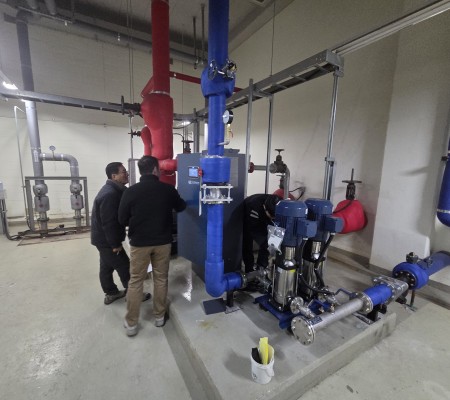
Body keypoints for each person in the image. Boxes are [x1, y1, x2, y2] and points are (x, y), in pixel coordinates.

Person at [118, 155, 186, 336]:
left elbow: (121, 219)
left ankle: (131, 323)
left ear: (140, 171)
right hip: (163, 242)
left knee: (135, 281)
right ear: (156, 170)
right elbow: (181, 207)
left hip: (139, 243)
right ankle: (159, 317)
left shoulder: (130, 192)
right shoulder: (168, 190)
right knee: (161, 279)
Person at [91, 162, 151, 305]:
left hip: (102, 238)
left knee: (106, 266)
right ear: (114, 176)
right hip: (107, 240)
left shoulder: (115, 190)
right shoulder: (110, 194)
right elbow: (109, 222)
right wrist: (115, 244)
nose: (127, 174)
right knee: (124, 266)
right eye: (123, 172)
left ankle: (111, 293)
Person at [242, 193, 281, 273]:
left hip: (264, 215)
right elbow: (254, 230)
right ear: (265, 208)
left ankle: (261, 267)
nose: (273, 219)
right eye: (272, 217)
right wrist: (266, 243)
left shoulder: (279, 203)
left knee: (268, 243)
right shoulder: (253, 207)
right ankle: (249, 269)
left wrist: (274, 243)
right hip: (249, 215)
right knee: (247, 242)